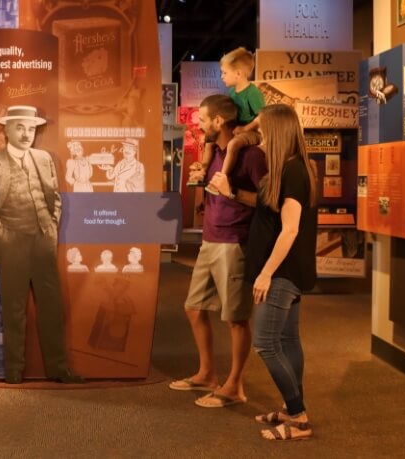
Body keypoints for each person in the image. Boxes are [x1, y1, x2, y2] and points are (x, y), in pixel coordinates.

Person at [210, 104, 318, 441]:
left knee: (267, 343)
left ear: (280, 132)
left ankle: (298, 417)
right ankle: (291, 408)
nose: (260, 134)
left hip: (282, 271)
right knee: (286, 339)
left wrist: (266, 273)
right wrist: (258, 121)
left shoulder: (293, 172)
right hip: (286, 270)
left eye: (266, 129)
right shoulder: (291, 167)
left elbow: (290, 230)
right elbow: (244, 135)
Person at [0, 105, 83, 385]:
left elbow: (54, 198)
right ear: (6, 129)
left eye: (31, 129)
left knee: (51, 307)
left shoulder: (44, 159)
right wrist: (1, 234)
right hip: (11, 244)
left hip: (43, 242)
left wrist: (51, 227)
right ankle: (14, 370)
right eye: (20, 127)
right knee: (14, 309)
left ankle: (58, 369)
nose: (27, 134)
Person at [168, 94, 267, 408]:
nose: (199, 125)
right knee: (194, 307)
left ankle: (234, 386)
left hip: (235, 243)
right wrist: (201, 182)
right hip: (210, 241)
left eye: (203, 119)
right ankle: (208, 374)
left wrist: (233, 192)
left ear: (219, 121)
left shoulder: (251, 156)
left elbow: (268, 201)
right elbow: (214, 192)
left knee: (236, 318)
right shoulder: (215, 153)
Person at [189, 47, 264, 196]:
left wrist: (245, 128)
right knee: (209, 142)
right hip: (238, 130)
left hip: (251, 132)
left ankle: (222, 178)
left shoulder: (253, 93)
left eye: (224, 73)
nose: (222, 76)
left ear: (238, 73)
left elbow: (262, 116)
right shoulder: (231, 93)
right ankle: (203, 172)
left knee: (233, 145)